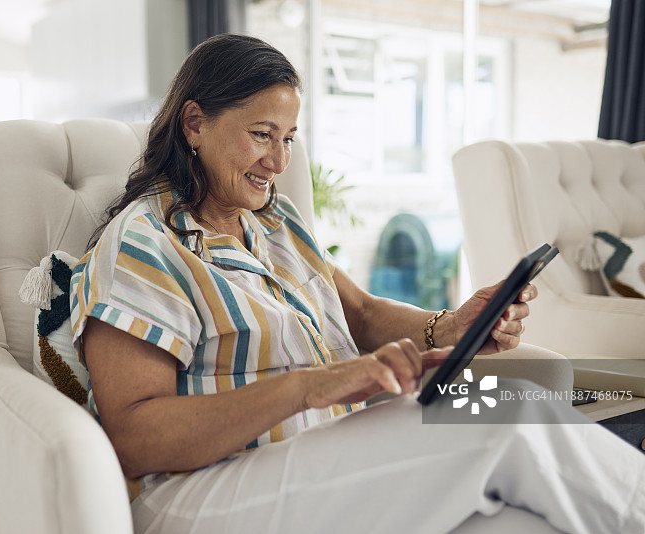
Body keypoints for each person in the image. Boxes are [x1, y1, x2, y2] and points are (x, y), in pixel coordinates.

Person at [71, 34, 644, 533]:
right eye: (262, 134)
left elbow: (361, 315)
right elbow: (135, 435)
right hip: (199, 488)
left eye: (289, 137)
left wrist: (450, 326)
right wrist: (308, 386)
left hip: (326, 448)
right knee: (510, 418)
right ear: (194, 123)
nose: (279, 160)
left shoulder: (275, 221)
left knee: (516, 466)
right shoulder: (143, 243)